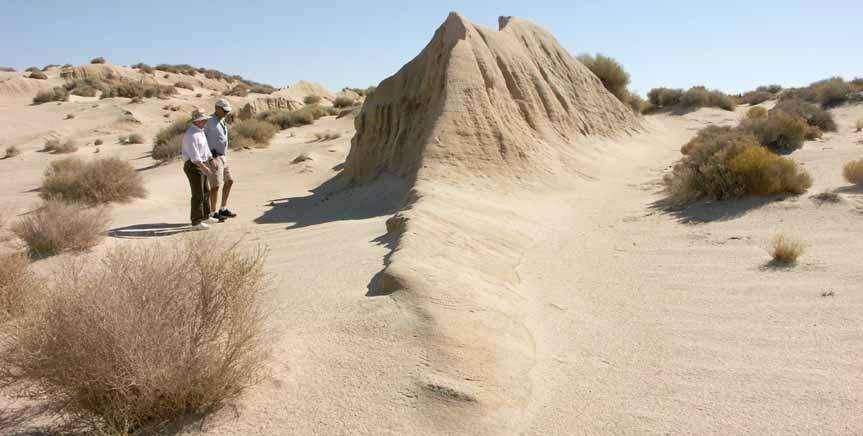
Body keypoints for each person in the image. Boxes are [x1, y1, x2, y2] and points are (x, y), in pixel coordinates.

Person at [182, 108, 218, 230]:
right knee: (198, 194)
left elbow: (206, 149)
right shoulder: (190, 135)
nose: (205, 122)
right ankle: (196, 222)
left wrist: (211, 160)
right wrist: (204, 168)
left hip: (201, 164)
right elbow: (194, 157)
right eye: (202, 120)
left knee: (206, 191)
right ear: (196, 121)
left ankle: (205, 216)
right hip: (193, 166)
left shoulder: (200, 131)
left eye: (205, 120)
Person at [205, 98, 237, 221]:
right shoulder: (208, 121)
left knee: (229, 181)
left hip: (223, 157)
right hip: (213, 157)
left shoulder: (222, 120)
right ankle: (212, 213)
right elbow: (202, 139)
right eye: (224, 110)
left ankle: (222, 209)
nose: (226, 113)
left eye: (227, 111)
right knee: (215, 186)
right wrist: (209, 156)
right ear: (217, 108)